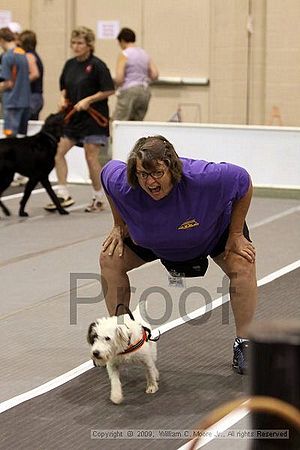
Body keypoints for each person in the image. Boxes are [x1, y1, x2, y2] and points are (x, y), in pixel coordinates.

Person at [99, 136, 257, 375]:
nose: (150, 182)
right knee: (110, 257)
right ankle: (121, 336)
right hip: (153, 239)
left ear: (172, 167)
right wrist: (118, 224)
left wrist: (235, 233)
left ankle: (244, 343)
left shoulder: (204, 177)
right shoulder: (124, 182)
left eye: (157, 174)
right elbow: (106, 175)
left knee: (243, 261)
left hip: (211, 234)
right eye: (143, 175)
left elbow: (243, 181)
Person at [45, 26, 115, 212]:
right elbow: (64, 87)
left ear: (89, 45)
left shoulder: (98, 65)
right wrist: (62, 98)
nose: (76, 46)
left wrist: (89, 100)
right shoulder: (70, 65)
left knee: (90, 157)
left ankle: (98, 197)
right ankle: (63, 193)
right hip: (74, 119)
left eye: (80, 43)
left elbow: (109, 89)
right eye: (73, 43)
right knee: (58, 151)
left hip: (94, 119)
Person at [113, 27, 158, 121]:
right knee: (136, 124)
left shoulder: (124, 54)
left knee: (120, 122)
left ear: (122, 41)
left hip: (129, 90)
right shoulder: (144, 53)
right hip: (145, 92)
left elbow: (119, 78)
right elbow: (155, 74)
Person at [0, 27, 30, 137]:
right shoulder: (22, 54)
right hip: (25, 101)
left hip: (12, 102)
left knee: (10, 138)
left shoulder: (7, 56)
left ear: (2, 40)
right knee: (22, 138)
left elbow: (8, 83)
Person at [19, 30, 44, 120]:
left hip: (32, 96)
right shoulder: (35, 55)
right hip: (36, 96)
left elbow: (35, 74)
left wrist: (19, 82)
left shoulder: (29, 56)